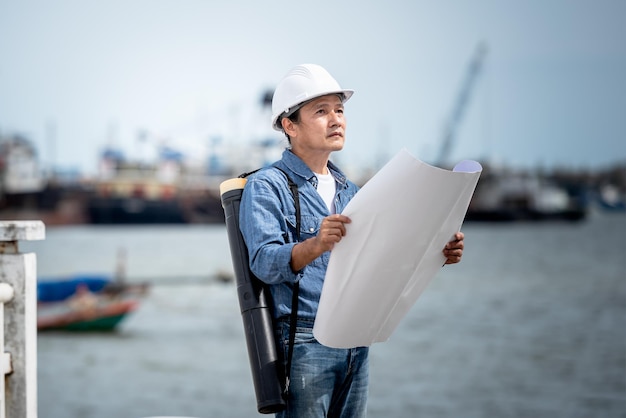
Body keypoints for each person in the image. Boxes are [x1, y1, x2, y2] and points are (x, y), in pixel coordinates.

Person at [239, 63, 465, 418]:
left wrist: (437, 252)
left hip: (356, 339)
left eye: (340, 110)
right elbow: (264, 263)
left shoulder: (353, 192)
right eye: (321, 111)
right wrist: (316, 244)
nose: (336, 120)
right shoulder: (267, 186)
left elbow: (382, 259)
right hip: (302, 341)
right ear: (289, 125)